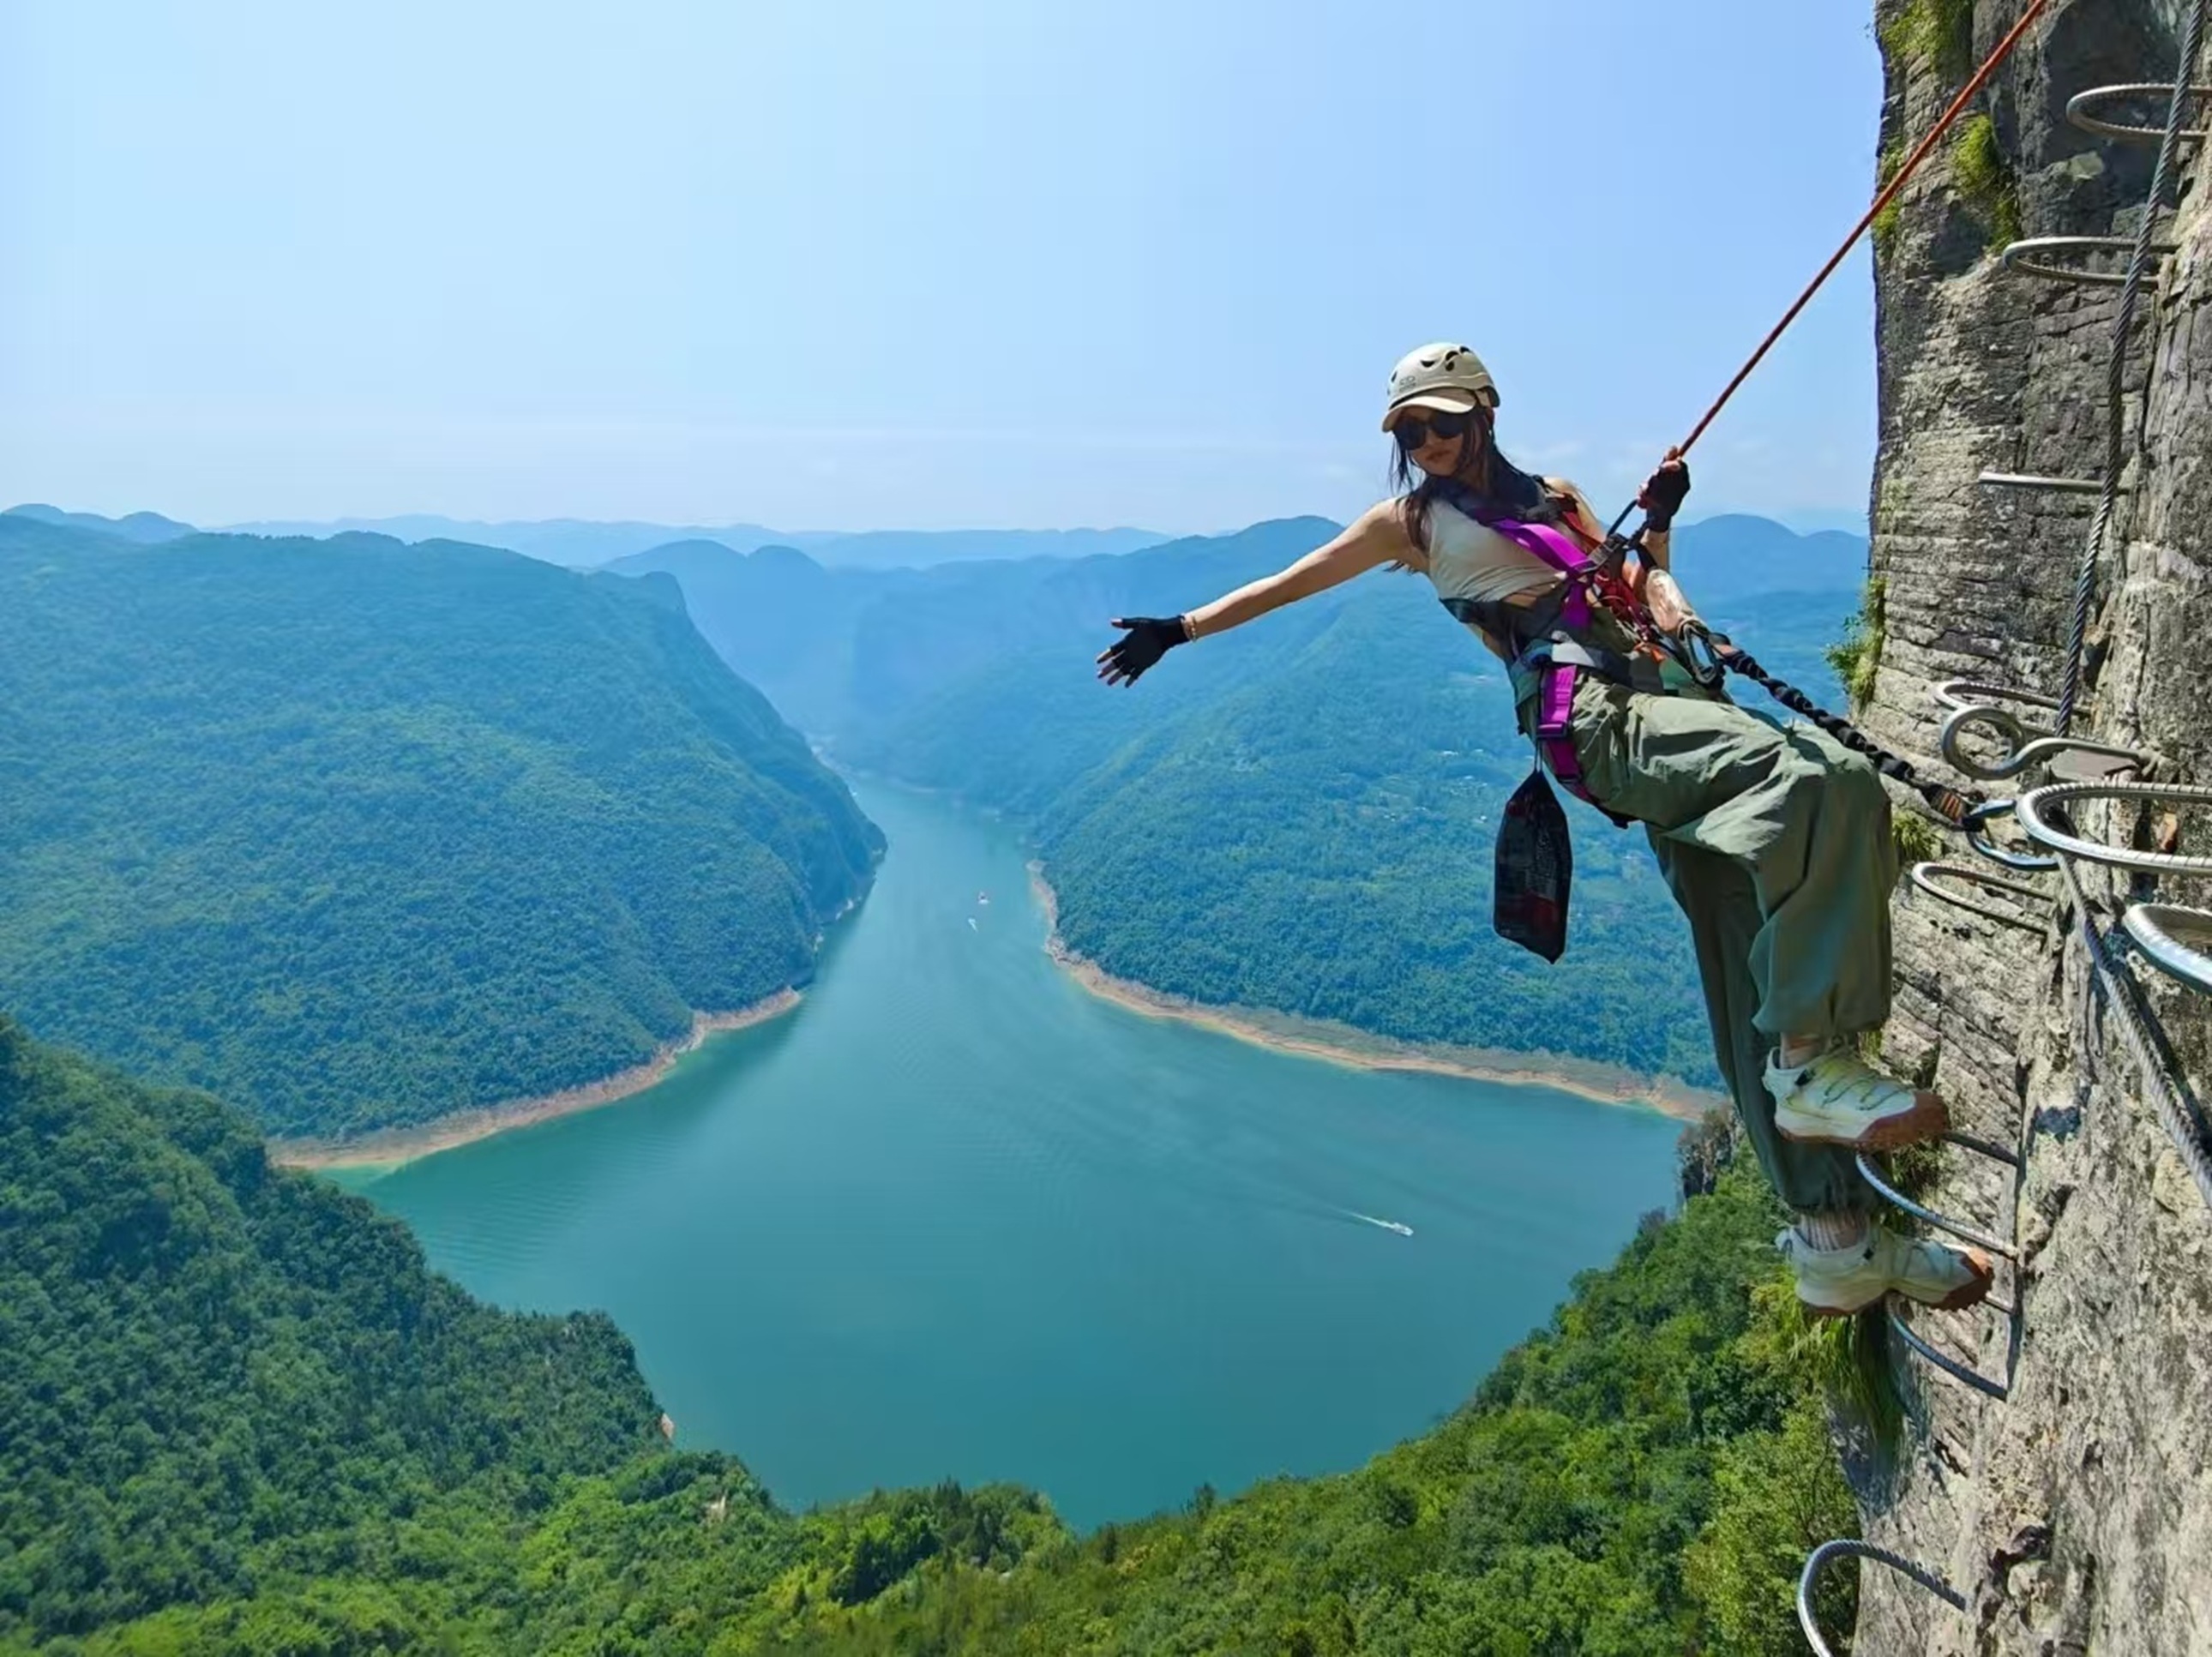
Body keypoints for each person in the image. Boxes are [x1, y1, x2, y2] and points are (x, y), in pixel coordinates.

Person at [1095, 342, 1993, 1318]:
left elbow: (1639, 593)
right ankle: (1814, 1058)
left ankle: (1837, 1242)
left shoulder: (1560, 496)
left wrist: (1660, 533)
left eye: (1440, 420)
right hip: (1599, 724)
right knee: (1823, 781)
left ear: (1483, 409)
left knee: (1745, 954)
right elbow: (1295, 580)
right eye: (1408, 430)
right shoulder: (1411, 524)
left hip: (1662, 697)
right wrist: (1181, 629)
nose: (1426, 443)